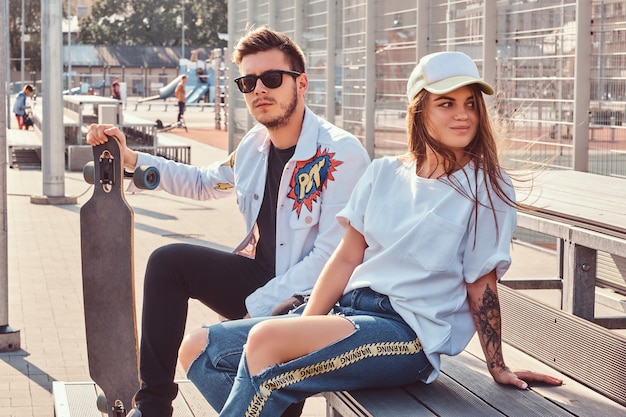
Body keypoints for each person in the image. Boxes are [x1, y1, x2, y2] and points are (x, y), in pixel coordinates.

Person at [177, 51, 564, 416]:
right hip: (349, 311)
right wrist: (302, 325)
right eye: (446, 103)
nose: (462, 115)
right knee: (197, 347)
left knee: (264, 343)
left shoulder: (486, 187)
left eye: (470, 104)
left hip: (406, 335)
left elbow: (481, 281)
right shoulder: (383, 174)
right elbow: (346, 257)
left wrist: (496, 364)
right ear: (420, 110)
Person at [85, 26, 371, 417]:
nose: (259, 90)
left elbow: (331, 257)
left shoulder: (340, 154)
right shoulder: (254, 146)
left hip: (319, 300)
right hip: (263, 279)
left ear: (301, 84)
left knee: (260, 370)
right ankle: (152, 407)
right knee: (169, 263)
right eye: (248, 81)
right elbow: (205, 182)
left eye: (272, 79)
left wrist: (259, 306)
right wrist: (133, 159)